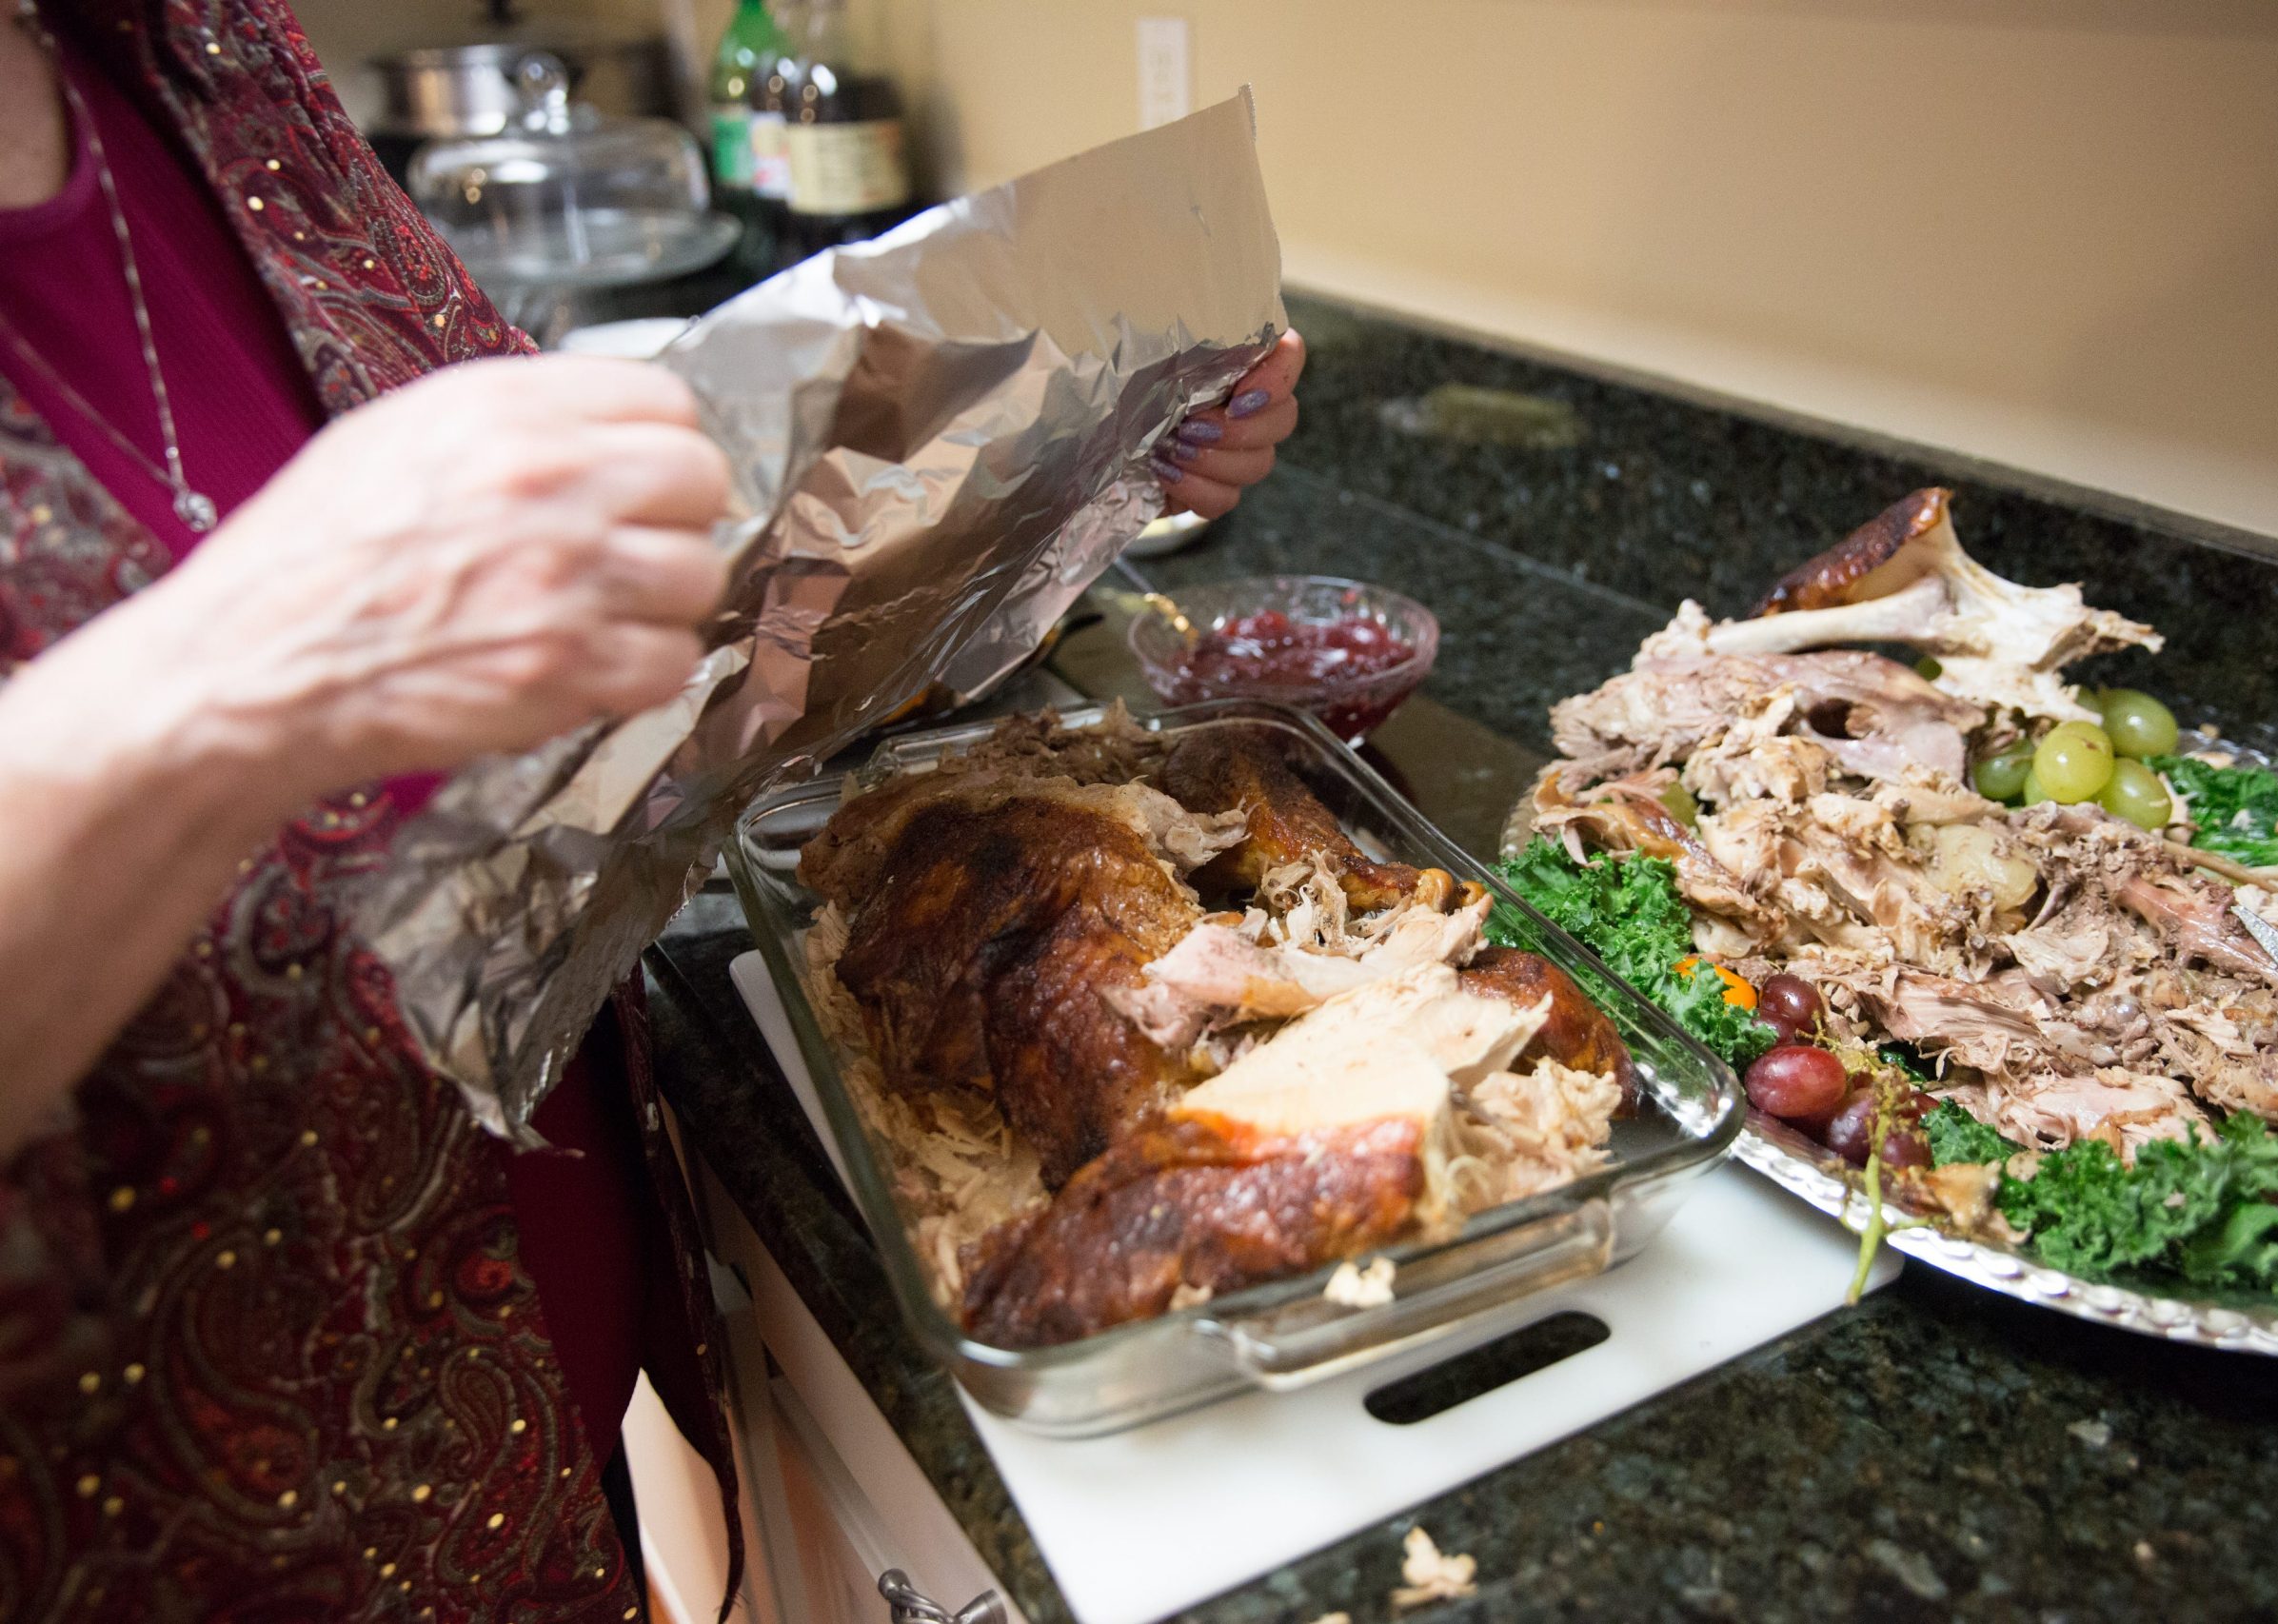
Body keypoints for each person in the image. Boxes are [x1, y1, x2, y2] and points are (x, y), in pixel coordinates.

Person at [0, 2, 1305, 1617]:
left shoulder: (194, 50)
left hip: (517, 1411)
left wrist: (1081, 445)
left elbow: (649, 600)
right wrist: (247, 653)